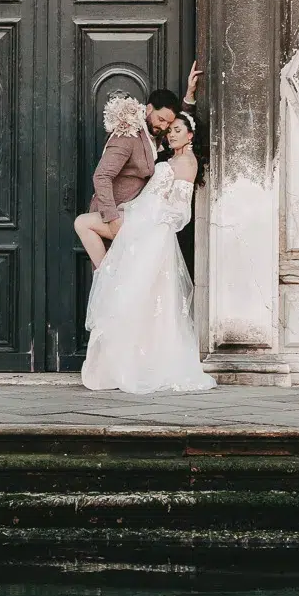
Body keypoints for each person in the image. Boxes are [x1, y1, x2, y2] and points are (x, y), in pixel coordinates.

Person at [81, 111, 216, 395]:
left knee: (140, 297)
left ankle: (139, 365)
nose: (172, 133)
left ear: (190, 135)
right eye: (171, 129)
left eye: (178, 129)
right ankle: (108, 272)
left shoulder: (187, 163)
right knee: (87, 227)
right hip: (138, 222)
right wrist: (189, 95)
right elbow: (171, 117)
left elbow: (181, 212)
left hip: (154, 233)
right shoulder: (169, 156)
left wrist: (148, 216)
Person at [74, 61, 203, 269]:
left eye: (167, 125)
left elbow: (180, 128)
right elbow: (102, 176)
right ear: (149, 109)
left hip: (137, 219)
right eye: (161, 120)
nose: (163, 127)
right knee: (109, 285)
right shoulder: (128, 135)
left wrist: (189, 95)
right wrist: (113, 219)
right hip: (113, 216)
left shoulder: (155, 133)